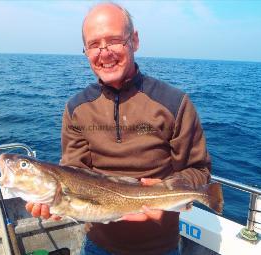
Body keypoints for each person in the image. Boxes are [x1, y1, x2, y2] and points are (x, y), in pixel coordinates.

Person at [26, 3, 211, 255]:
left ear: (134, 41)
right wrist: (56, 204)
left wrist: (167, 191)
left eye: (114, 40)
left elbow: (198, 170)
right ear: (85, 51)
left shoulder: (175, 103)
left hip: (159, 247)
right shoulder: (76, 108)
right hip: (98, 244)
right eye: (94, 44)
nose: (105, 53)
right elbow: (73, 172)